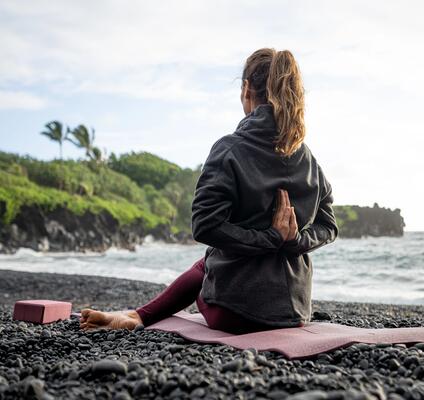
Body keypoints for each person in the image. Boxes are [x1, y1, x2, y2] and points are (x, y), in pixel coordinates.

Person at [79, 48, 339, 334]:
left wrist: (272, 238)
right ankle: (136, 315)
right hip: (294, 313)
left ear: (245, 90)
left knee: (206, 264)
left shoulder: (229, 149)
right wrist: (293, 240)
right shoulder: (309, 159)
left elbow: (205, 226)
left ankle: (139, 316)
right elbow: (328, 225)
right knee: (211, 262)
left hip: (232, 315)